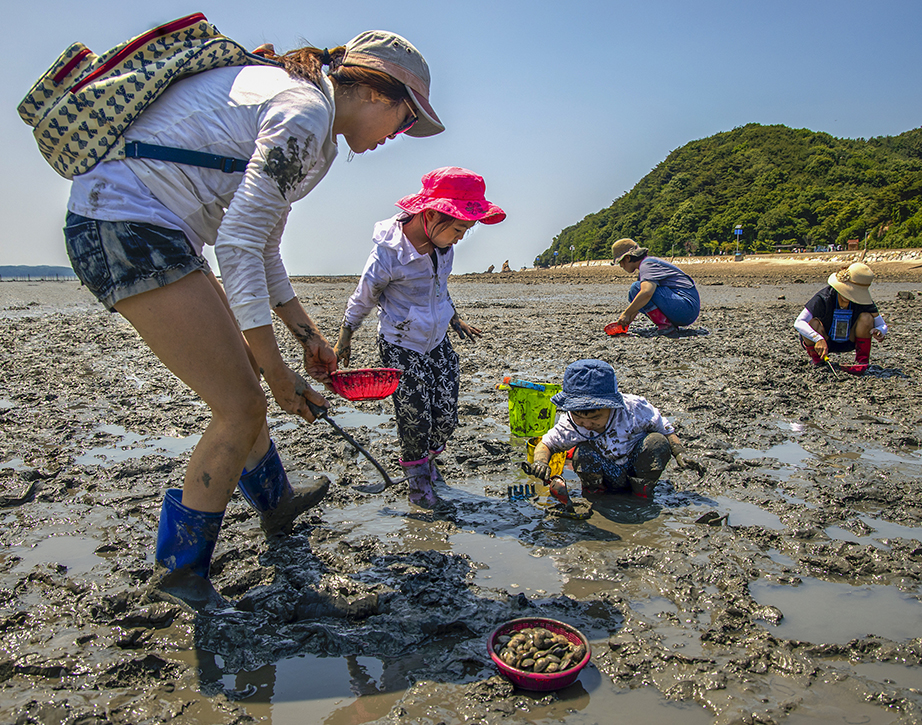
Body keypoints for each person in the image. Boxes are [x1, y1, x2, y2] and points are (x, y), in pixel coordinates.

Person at [61, 29, 444, 609]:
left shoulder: (314, 125)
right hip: (124, 223)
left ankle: (276, 503)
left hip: (154, 228)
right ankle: (182, 575)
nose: (400, 136)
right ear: (374, 91)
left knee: (244, 383)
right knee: (240, 403)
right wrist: (277, 371)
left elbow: (263, 247)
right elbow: (237, 246)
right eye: (405, 119)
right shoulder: (305, 112)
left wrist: (306, 337)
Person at [333, 167, 505, 507]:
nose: (460, 237)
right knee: (414, 415)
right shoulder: (388, 254)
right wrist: (345, 338)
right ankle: (417, 483)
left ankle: (427, 461)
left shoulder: (443, 248)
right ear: (429, 215)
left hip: (438, 341)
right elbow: (363, 298)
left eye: (466, 230)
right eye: (458, 229)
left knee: (446, 415)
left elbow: (438, 289)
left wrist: (455, 320)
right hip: (401, 344)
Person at [529, 359, 689, 502]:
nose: (586, 424)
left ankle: (642, 492)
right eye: (579, 417)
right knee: (582, 452)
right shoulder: (570, 423)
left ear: (611, 407)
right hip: (603, 474)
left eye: (595, 418)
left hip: (635, 466)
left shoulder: (633, 410)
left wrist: (679, 452)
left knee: (657, 442)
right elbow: (546, 444)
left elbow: (666, 429)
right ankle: (595, 494)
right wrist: (541, 462)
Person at [794, 262, 887, 375]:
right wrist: (817, 338)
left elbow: (881, 324)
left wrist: (879, 331)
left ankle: (861, 362)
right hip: (824, 341)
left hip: (850, 340)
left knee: (867, 317)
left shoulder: (864, 302)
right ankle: (818, 360)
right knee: (811, 323)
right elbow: (799, 322)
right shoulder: (824, 297)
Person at [609, 238, 700, 335]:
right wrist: (626, 322)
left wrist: (626, 313)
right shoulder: (648, 265)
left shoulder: (647, 265)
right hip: (686, 310)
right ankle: (666, 325)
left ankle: (665, 326)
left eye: (620, 262)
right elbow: (641, 302)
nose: (621, 266)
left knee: (636, 288)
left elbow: (647, 293)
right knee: (635, 295)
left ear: (627, 258)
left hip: (686, 307)